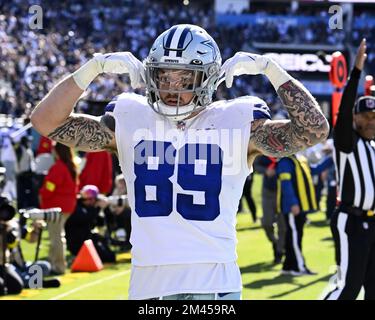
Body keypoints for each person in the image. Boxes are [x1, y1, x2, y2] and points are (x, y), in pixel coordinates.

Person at [31, 24, 329, 300]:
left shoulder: (236, 121)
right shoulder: (129, 116)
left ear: (208, 77)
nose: (172, 87)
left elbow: (314, 130)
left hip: (213, 285)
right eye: (164, 75)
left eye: (186, 77)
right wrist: (94, 66)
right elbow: (44, 121)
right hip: (147, 285)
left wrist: (271, 69)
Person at [323, 39, 375, 300]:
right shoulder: (348, 142)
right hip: (352, 220)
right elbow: (342, 113)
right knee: (348, 288)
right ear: (355, 118)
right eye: (366, 116)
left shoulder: (373, 146)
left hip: (373, 220)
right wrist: (356, 72)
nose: (370, 121)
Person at [276, 153, 333, 276]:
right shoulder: (285, 161)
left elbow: (315, 169)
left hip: (302, 206)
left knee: (293, 237)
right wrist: (293, 203)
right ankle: (299, 267)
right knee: (295, 238)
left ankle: (288, 266)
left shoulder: (301, 159)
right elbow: (286, 184)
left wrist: (331, 158)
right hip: (292, 208)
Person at [38, 142, 79, 275]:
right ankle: (52, 263)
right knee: (57, 236)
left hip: (56, 207)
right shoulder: (70, 166)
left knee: (56, 237)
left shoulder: (58, 168)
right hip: (66, 206)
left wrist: (42, 194)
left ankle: (59, 266)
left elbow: (50, 187)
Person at [65, 185, 116, 263]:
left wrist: (103, 209)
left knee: (111, 256)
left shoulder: (89, 208)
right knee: (106, 258)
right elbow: (86, 219)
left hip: (88, 239)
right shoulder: (75, 207)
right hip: (78, 243)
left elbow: (101, 222)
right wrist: (98, 208)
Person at [253, 155, 285, 264]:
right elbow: (255, 165)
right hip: (268, 192)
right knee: (266, 223)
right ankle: (275, 243)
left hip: (282, 192)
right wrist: (266, 170)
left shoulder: (288, 149)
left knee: (282, 226)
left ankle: (279, 252)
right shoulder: (266, 151)